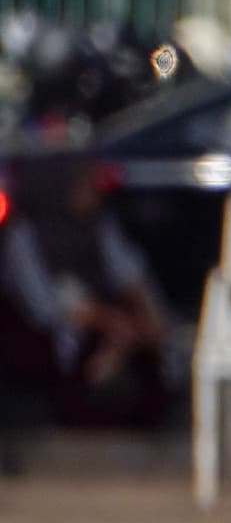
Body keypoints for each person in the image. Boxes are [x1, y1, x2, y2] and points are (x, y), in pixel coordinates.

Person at [0, 154, 170, 427]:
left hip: (109, 329)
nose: (94, 194)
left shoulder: (99, 226)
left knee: (146, 352)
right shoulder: (25, 236)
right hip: (50, 339)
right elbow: (44, 306)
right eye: (85, 185)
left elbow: (129, 273)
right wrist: (109, 321)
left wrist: (144, 316)